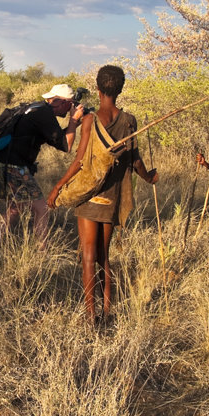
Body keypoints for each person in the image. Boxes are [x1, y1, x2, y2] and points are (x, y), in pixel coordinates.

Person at [47, 65, 157, 327]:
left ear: (97, 89)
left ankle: (90, 315)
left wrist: (58, 188)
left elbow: (79, 162)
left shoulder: (90, 120)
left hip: (88, 197)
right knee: (103, 256)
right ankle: (107, 311)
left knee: (87, 256)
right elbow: (135, 160)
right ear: (120, 89)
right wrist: (149, 177)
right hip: (110, 198)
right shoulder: (129, 121)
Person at [0, 83, 85, 242]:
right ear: (63, 102)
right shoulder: (44, 114)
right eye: (70, 105)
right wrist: (73, 121)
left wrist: (74, 123)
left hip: (2, 161)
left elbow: (56, 140)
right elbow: (66, 146)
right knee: (42, 208)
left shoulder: (37, 108)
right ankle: (42, 251)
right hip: (15, 166)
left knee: (16, 207)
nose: (69, 110)